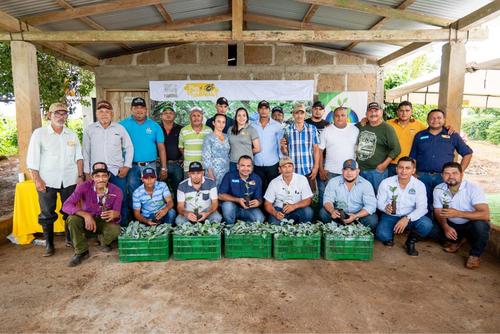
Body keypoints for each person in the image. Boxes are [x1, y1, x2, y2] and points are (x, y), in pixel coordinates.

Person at [26, 102, 84, 257]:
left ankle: (70, 239)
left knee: (69, 211)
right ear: (49, 115)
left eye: (64, 113)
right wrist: (37, 179)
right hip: (47, 181)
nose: (61, 116)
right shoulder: (39, 134)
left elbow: (79, 157)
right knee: (46, 213)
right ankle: (49, 244)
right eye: (57, 113)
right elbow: (32, 159)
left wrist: (80, 176)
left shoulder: (71, 134)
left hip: (70, 180)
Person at [410, 108, 473, 216]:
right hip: (422, 177)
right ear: (427, 120)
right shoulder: (419, 136)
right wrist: (414, 173)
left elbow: (467, 153)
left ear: (444, 120)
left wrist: (460, 171)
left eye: (439, 118)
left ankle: (443, 227)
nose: (435, 120)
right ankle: (427, 228)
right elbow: (413, 156)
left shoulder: (452, 135)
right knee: (423, 203)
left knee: (444, 203)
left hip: (444, 177)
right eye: (432, 118)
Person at [82, 100, 133, 226]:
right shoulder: (90, 129)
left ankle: (123, 229)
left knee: (121, 200)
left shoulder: (120, 128)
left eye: (107, 111)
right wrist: (87, 172)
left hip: (117, 172)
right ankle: (104, 232)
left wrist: (127, 166)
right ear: (96, 113)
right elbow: (85, 152)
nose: (104, 114)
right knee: (99, 202)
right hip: (97, 174)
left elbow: (129, 147)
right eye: (101, 111)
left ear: (112, 113)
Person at [63, 162, 122, 267]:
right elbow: (66, 205)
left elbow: (117, 213)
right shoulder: (84, 187)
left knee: (116, 229)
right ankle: (81, 251)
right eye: (97, 176)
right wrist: (86, 215)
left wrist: (116, 214)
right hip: (88, 220)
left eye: (104, 176)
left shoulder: (116, 191)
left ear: (108, 176)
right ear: (92, 177)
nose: (101, 179)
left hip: (103, 221)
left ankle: (103, 241)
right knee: (72, 219)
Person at [433, 162, 490, 269]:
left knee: (481, 225)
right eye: (447, 173)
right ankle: (456, 241)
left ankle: (475, 255)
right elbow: (438, 210)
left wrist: (458, 213)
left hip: (470, 224)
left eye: (455, 173)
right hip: (452, 224)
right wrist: (445, 226)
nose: (451, 176)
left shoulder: (473, 188)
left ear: (462, 174)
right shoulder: (438, 189)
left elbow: (485, 214)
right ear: (442, 175)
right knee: (432, 227)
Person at [120, 97, 167, 223]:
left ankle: (153, 219)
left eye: (142, 108)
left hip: (150, 165)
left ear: (146, 110)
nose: (139, 110)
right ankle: (138, 221)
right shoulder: (123, 125)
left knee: (152, 192)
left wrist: (163, 167)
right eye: (136, 107)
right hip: (131, 166)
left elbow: (161, 148)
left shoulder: (154, 126)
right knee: (134, 193)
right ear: (131, 109)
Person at [375, 157, 433, 256]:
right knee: (382, 235)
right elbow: (379, 202)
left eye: (407, 168)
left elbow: (422, 208)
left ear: (413, 170)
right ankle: (390, 233)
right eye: (401, 167)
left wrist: (407, 218)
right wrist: (385, 207)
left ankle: (410, 241)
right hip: (391, 216)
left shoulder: (419, 185)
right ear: (396, 169)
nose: (404, 171)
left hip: (410, 217)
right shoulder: (386, 182)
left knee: (426, 225)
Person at [319, 159, 378, 232]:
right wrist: (332, 211)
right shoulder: (333, 182)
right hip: (339, 215)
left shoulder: (366, 184)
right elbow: (327, 200)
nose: (349, 173)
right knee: (323, 212)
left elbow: (371, 206)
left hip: (357, 216)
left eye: (352, 170)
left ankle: (357, 232)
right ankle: (335, 231)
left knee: (372, 219)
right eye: (346, 169)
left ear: (358, 171)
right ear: (342, 171)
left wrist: (355, 216)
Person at [318, 106, 359, 206]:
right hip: (330, 171)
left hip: (349, 172)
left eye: (342, 115)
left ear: (347, 117)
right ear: (333, 117)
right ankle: (324, 220)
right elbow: (319, 151)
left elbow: (358, 150)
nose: (340, 118)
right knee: (327, 200)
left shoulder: (355, 130)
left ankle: (345, 220)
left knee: (345, 200)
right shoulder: (326, 131)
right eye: (337, 116)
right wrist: (321, 169)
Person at [356, 102, 401, 193]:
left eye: (376, 111)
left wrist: (383, 165)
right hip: (360, 170)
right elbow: (347, 130)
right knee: (361, 196)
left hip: (376, 172)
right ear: (366, 114)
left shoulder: (387, 128)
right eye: (370, 111)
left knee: (378, 197)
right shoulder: (362, 126)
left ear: (381, 112)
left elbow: (396, 149)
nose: (373, 113)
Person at [264, 157, 314, 224]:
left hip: (297, 208)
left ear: (293, 168)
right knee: (274, 223)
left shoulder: (302, 179)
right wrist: (275, 213)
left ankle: (302, 230)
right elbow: (267, 204)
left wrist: (294, 206)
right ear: (279, 169)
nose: (287, 169)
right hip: (280, 210)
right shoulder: (274, 182)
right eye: (284, 167)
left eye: (289, 166)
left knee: (308, 212)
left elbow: (308, 200)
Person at [219, 155, 265, 224]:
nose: (245, 169)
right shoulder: (229, 176)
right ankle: (230, 228)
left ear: (252, 167)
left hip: (249, 208)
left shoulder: (256, 178)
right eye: (242, 165)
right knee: (227, 206)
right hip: (233, 208)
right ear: (237, 166)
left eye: (248, 166)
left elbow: (259, 198)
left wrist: (258, 202)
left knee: (260, 218)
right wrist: (238, 200)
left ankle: (242, 228)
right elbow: (220, 195)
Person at [386, 101, 427, 176]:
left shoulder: (419, 125)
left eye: (407, 111)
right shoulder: (388, 123)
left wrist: (447, 128)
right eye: (401, 110)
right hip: (391, 163)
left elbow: (433, 131)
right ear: (397, 112)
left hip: (409, 165)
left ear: (411, 112)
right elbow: (375, 125)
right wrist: (365, 120)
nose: (404, 113)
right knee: (391, 186)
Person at [280, 103, 320, 181]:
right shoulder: (287, 130)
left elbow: (316, 149)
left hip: (308, 169)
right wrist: (282, 147)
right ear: (293, 114)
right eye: (297, 113)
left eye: (302, 113)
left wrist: (316, 167)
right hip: (293, 170)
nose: (299, 116)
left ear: (305, 114)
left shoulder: (312, 129)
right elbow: (285, 153)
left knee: (308, 193)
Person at [252, 100, 283, 193]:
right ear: (258, 110)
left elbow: (280, 146)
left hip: (273, 164)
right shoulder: (252, 126)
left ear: (269, 110)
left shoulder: (277, 126)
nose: (263, 111)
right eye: (261, 108)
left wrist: (281, 164)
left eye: (266, 108)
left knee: (274, 190)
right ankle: (259, 207)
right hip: (257, 164)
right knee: (259, 190)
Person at [179, 106, 213, 176]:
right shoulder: (184, 130)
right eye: (193, 116)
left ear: (202, 117)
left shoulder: (209, 131)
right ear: (190, 118)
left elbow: (212, 148)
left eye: (198, 115)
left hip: (204, 167)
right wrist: (189, 156)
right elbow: (181, 147)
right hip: (188, 167)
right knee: (188, 186)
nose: (196, 118)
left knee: (204, 186)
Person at [159, 105, 184, 200]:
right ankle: (162, 210)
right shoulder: (157, 128)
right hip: (160, 165)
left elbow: (185, 145)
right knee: (160, 190)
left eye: (171, 113)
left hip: (176, 164)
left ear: (174, 116)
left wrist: (183, 159)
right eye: (165, 113)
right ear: (161, 116)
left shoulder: (181, 129)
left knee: (178, 189)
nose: (168, 115)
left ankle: (178, 210)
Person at [228, 107, 260, 172]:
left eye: (244, 115)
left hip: (246, 164)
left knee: (246, 182)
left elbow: (257, 148)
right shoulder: (230, 130)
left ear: (247, 117)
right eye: (239, 115)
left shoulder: (251, 130)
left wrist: (246, 154)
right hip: (233, 163)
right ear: (236, 117)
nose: (241, 118)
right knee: (233, 181)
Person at [202, 113, 231, 187]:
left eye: (223, 122)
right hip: (213, 171)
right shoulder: (208, 138)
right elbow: (206, 157)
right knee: (213, 194)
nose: (221, 124)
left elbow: (229, 154)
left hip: (226, 170)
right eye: (218, 121)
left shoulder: (227, 137)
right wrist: (210, 174)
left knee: (224, 193)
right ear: (213, 123)